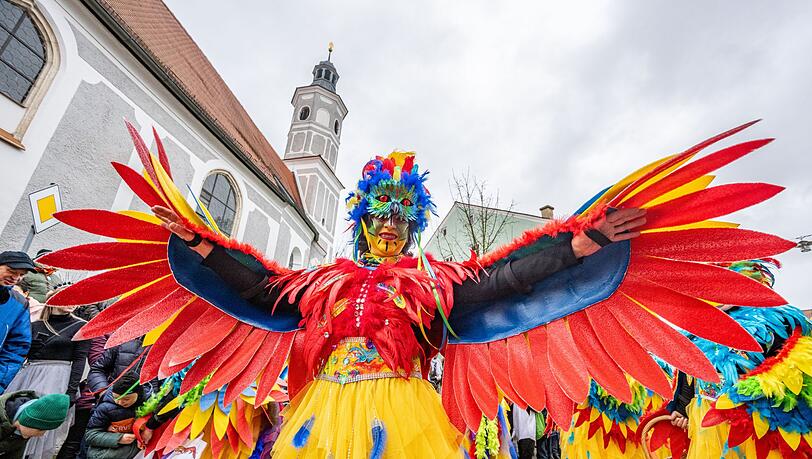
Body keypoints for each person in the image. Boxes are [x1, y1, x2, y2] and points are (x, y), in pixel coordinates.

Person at [44, 122, 794, 458]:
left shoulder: (436, 284)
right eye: (378, 217)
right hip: (321, 407)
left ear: (411, 226)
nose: (387, 229)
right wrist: (206, 247)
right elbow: (261, 286)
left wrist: (578, 242)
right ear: (362, 221)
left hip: (400, 407)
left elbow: (505, 280)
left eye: (400, 219)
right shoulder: (321, 283)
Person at [5, 303, 90, 458]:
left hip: (58, 377)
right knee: (18, 413)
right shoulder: (35, 324)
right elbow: (19, 351)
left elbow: (80, 359)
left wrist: (71, 390)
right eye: (68, 299)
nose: (72, 303)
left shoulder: (81, 326)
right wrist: (30, 348)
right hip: (31, 373)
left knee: (44, 419)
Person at [84, 373, 147, 459]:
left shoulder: (149, 403)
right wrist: (119, 438)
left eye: (126, 399)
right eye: (116, 398)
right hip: (106, 453)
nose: (120, 402)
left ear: (138, 394)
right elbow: (90, 435)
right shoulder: (106, 407)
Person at [0, 251, 36, 394]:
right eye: (11, 271)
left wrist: (1, 382)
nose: (15, 278)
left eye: (21, 275)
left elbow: (16, 348)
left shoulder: (19, 304)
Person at [0, 391, 70, 459]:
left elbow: (15, 454)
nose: (41, 434)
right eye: (41, 429)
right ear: (28, 421)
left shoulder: (22, 431)